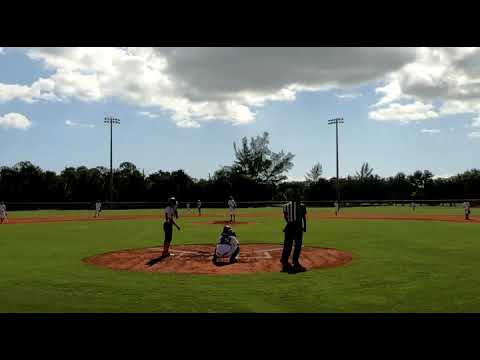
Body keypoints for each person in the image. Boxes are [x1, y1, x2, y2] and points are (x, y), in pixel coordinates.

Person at [280, 194, 307, 274]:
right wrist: (304, 227)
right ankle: (295, 262)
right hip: (298, 227)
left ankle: (284, 261)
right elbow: (303, 218)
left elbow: (285, 216)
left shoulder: (285, 206)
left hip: (289, 227)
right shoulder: (302, 206)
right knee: (297, 245)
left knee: (287, 245)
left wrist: (288, 222)